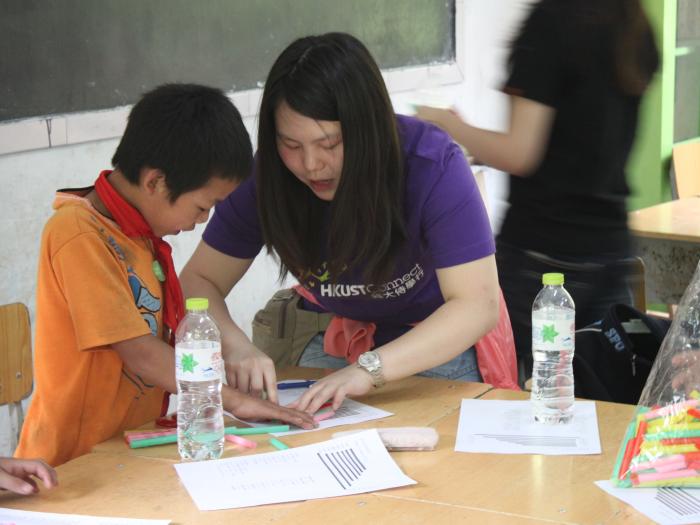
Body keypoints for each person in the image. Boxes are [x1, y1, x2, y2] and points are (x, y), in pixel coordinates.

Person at [180, 32, 502, 414]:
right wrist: (234, 345)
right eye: (291, 145)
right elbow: (198, 282)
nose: (311, 165)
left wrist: (368, 370)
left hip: (432, 340)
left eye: (329, 144)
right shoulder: (268, 176)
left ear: (370, 129)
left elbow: (477, 304)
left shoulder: (430, 164)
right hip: (338, 337)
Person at [15, 83, 314, 467]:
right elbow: (139, 352)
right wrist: (230, 399)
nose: (202, 220)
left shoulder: (139, 235)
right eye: (202, 206)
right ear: (155, 181)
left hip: (125, 449)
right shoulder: (78, 233)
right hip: (70, 460)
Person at [417, 0, 659, 382]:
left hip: (545, 256)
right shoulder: (631, 22)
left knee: (523, 395)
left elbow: (520, 153)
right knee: (605, 385)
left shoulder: (552, 22)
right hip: (610, 248)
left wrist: (446, 125)